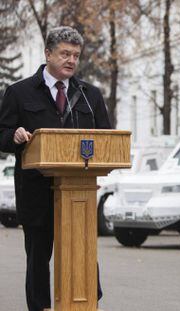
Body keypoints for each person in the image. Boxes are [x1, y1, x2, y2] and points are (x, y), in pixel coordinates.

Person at [0, 26, 110, 311]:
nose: (71, 60)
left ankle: (84, 304)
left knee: (82, 254)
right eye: (65, 54)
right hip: (37, 193)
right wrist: (14, 136)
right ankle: (39, 307)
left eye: (75, 55)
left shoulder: (89, 95)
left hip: (79, 194)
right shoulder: (19, 92)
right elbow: (1, 134)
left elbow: (106, 140)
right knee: (38, 258)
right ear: (48, 53)